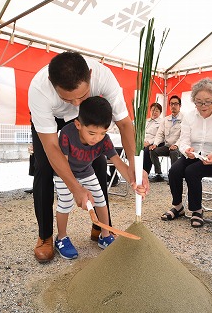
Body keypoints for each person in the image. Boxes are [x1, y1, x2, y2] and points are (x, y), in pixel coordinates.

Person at [28, 51, 148, 263]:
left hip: (85, 119)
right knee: (45, 168)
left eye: (81, 96)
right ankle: (46, 236)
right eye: (66, 98)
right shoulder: (39, 90)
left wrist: (133, 165)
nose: (74, 103)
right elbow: (51, 147)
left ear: (90, 76)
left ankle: (101, 228)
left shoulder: (104, 77)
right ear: (51, 82)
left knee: (98, 162)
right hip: (51, 121)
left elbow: (124, 123)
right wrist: (75, 188)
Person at [53, 97, 140, 259]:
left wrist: (134, 181)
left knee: (101, 200)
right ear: (78, 124)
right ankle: (61, 238)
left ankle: (105, 235)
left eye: (103, 133)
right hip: (64, 173)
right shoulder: (66, 134)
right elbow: (62, 164)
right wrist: (76, 188)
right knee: (65, 203)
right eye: (92, 133)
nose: (97, 138)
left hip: (86, 171)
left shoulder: (104, 141)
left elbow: (118, 162)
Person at [159, 79, 212, 228]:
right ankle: (178, 206)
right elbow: (184, 140)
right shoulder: (189, 117)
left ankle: (197, 210)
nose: (203, 106)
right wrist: (186, 149)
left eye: (207, 102)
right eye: (198, 102)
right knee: (174, 170)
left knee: (192, 171)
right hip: (193, 155)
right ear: (194, 101)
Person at [148, 95, 183, 182]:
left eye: (176, 104)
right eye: (171, 104)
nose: (173, 106)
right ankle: (159, 174)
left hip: (180, 147)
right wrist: (155, 144)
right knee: (152, 151)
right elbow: (160, 134)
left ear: (180, 106)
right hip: (167, 146)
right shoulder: (165, 119)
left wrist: (176, 145)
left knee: (173, 152)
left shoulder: (185, 119)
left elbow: (184, 136)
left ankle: (174, 176)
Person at [141, 102, 164, 178]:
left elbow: (160, 136)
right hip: (144, 142)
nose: (154, 112)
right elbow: (142, 133)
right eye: (152, 110)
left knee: (147, 150)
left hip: (157, 142)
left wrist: (149, 142)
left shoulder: (162, 122)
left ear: (160, 112)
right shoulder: (146, 121)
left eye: (157, 111)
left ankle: (145, 173)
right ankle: (137, 171)